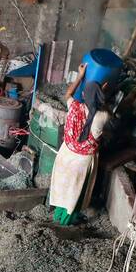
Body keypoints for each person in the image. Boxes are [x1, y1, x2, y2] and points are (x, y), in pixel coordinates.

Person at [49, 61, 113, 226]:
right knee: (75, 193)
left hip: (65, 155)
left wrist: (80, 75)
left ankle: (57, 217)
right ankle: (66, 223)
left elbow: (68, 93)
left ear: (84, 95)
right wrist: (102, 93)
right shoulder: (102, 116)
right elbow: (106, 112)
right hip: (82, 162)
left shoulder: (74, 107)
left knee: (63, 189)